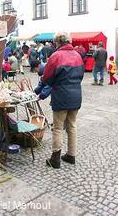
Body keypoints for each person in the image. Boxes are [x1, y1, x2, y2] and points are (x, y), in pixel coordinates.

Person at [41, 32, 84, 168]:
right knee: (72, 126)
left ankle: (55, 159)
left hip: (61, 95)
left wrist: (50, 85)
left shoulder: (56, 56)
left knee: (58, 127)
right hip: (76, 94)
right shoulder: (77, 55)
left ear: (57, 42)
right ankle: (71, 155)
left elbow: (47, 77)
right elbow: (81, 75)